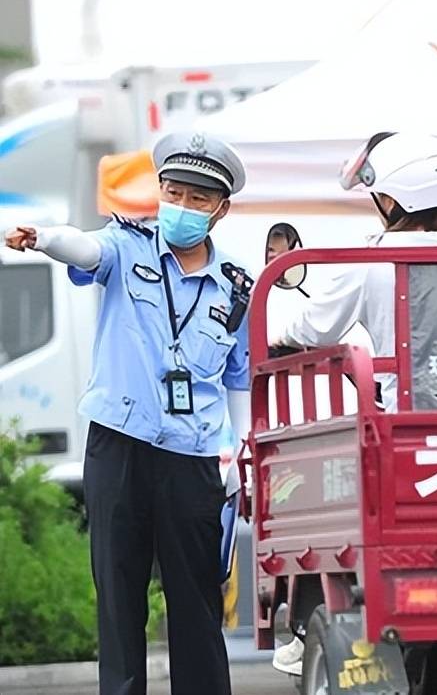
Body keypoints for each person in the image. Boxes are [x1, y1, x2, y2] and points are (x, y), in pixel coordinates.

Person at [4, 132, 250, 695]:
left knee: (196, 599)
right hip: (120, 444)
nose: (182, 207)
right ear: (159, 192)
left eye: (198, 199)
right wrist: (44, 238)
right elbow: (85, 248)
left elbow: (239, 374)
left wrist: (240, 449)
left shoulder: (237, 284)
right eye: (174, 193)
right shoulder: (128, 246)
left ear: (220, 210)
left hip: (192, 456)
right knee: (119, 593)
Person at [267, 132, 437, 419]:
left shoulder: (371, 261)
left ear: (389, 201)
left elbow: (317, 329)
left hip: (408, 421)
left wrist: (283, 338)